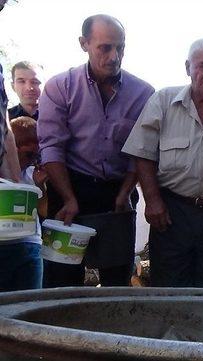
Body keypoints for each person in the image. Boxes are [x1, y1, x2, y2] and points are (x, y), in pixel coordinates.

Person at [37, 14, 154, 288]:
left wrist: (125, 193)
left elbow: (141, 151)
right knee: (61, 281)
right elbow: (52, 147)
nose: (114, 56)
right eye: (105, 47)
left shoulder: (144, 94)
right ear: (84, 43)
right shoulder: (60, 87)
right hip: (69, 188)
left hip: (118, 193)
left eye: (120, 47)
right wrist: (68, 198)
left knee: (116, 282)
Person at [123, 38, 203, 288]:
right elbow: (142, 153)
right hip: (172, 212)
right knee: (168, 288)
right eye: (202, 65)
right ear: (188, 67)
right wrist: (153, 201)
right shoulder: (163, 101)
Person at [0, 116, 45, 292]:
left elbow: (44, 210)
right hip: (5, 244)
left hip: (29, 243)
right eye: (29, 155)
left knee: (29, 303)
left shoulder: (31, 174)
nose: (33, 160)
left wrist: (41, 185)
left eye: (37, 155)